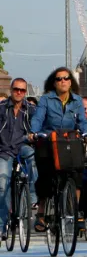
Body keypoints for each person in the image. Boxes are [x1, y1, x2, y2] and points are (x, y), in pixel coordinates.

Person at [30, 67, 87, 232]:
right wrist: (34, 133)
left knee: (77, 172)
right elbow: (38, 118)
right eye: (59, 79)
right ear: (54, 83)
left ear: (71, 81)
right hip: (49, 140)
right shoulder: (46, 99)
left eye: (66, 78)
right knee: (44, 174)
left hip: (69, 140)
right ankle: (42, 212)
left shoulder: (77, 100)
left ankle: (76, 209)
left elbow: (82, 122)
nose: (63, 81)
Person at [0, 78, 37, 241]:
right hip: (4, 150)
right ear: (11, 89)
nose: (19, 93)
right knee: (2, 185)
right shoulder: (1, 108)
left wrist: (34, 134)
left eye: (22, 90)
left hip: (23, 146)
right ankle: (2, 225)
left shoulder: (30, 109)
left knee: (33, 159)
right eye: (16, 89)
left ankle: (32, 197)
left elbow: (39, 125)